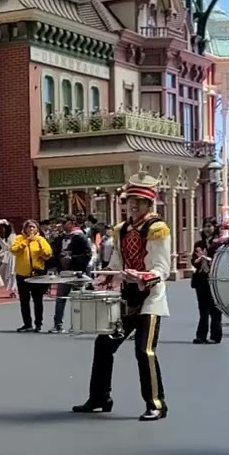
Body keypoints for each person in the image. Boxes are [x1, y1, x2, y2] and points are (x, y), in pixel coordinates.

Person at [74, 174, 171, 421]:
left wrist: (140, 276)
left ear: (150, 204)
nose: (133, 205)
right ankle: (99, 398)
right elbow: (116, 263)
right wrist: (106, 277)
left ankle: (157, 404)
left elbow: (162, 269)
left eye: (139, 201)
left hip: (150, 299)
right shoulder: (122, 230)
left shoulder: (157, 229)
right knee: (104, 344)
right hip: (126, 299)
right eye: (130, 200)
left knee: (144, 350)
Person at [10, 219, 52, 332]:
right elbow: (14, 250)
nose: (31, 229)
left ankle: (38, 323)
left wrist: (39, 243)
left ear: (37, 229)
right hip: (22, 274)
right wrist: (26, 242)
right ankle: (27, 324)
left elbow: (48, 253)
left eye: (33, 227)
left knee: (38, 300)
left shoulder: (40, 239)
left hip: (37, 274)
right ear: (25, 229)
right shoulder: (19, 238)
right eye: (29, 227)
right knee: (24, 300)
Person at [191, 219, 224, 344]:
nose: (207, 229)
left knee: (215, 309)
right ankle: (201, 336)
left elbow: (222, 260)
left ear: (215, 228)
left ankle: (215, 336)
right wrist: (198, 260)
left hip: (213, 279)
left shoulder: (220, 244)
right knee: (202, 309)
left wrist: (209, 260)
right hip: (200, 279)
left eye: (209, 226)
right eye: (205, 226)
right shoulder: (199, 244)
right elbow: (193, 260)